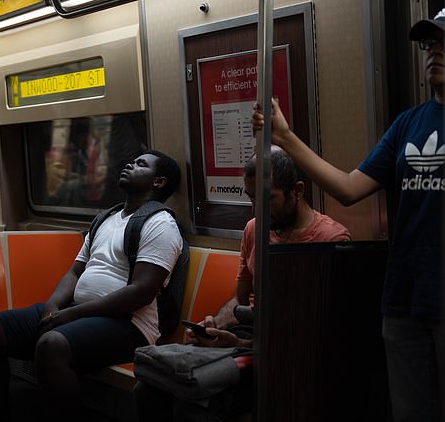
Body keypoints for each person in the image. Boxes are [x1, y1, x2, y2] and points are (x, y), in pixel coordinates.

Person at [251, 10, 444, 422]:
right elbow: (349, 188)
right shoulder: (408, 124)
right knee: (410, 413)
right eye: (430, 44)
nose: (434, 53)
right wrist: (285, 137)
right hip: (405, 298)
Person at [133, 146, 352, 422]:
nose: (256, 209)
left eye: (266, 198)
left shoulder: (331, 239)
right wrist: (216, 326)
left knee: (194, 406)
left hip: (288, 352)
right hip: (250, 332)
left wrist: (240, 343)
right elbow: (240, 299)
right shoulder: (254, 228)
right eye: (251, 198)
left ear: (297, 191)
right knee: (147, 390)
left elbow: (324, 330)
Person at [0, 150, 183, 419]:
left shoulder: (161, 225)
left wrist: (72, 314)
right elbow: (75, 272)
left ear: (159, 182)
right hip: (79, 311)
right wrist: (53, 307)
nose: (129, 164)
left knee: (52, 345)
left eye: (141, 164)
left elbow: (141, 292)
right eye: (131, 160)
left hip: (130, 325)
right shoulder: (106, 219)